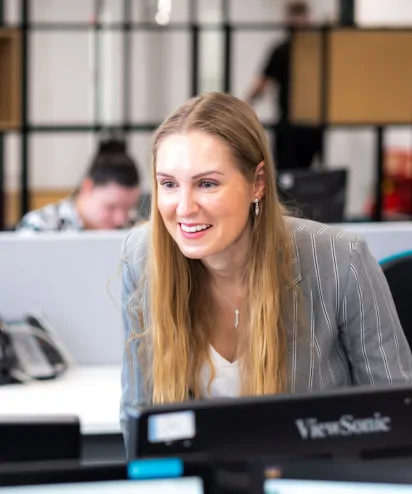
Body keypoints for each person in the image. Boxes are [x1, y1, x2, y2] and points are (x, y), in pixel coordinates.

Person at [120, 92, 412, 445]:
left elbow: (398, 416)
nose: (183, 208)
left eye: (207, 183)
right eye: (168, 184)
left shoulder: (340, 261)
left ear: (257, 183)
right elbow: (137, 416)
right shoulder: (142, 259)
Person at [246, 1, 323, 170]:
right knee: (293, 173)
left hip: (309, 123)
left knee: (298, 175)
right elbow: (262, 83)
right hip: (291, 123)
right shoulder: (283, 51)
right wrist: (246, 106)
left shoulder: (316, 52)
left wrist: (247, 103)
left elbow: (261, 84)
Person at [16, 138, 141, 232]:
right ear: (87, 187)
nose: (121, 219)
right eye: (111, 207)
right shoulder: (40, 227)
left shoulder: (134, 229)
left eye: (128, 208)